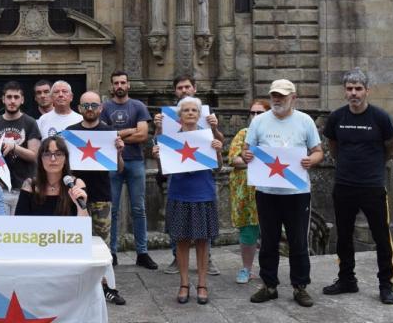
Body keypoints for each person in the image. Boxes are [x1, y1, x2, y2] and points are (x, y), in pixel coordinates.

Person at [243, 79, 323, 307]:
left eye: (282, 96)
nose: (277, 99)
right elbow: (247, 151)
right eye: (274, 95)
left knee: (298, 240)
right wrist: (247, 156)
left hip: (297, 192)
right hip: (267, 192)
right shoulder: (259, 121)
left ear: (293, 98)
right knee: (268, 241)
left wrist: (311, 160)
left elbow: (319, 151)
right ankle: (269, 285)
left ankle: (300, 287)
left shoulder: (305, 121)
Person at [322, 68, 393, 305]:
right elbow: (333, 147)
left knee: (381, 237)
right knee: (343, 236)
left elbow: (391, 149)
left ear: (367, 91)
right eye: (349, 89)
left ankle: (386, 284)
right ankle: (347, 279)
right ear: (344, 92)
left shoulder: (380, 118)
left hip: (372, 187)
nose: (353, 93)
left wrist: (372, 167)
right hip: (344, 185)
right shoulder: (337, 118)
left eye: (358, 89)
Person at [151, 97, 223, 305]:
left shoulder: (208, 136)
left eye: (194, 110)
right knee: (181, 240)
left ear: (199, 115)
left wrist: (218, 151)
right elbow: (164, 169)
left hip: (203, 193)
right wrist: (157, 155)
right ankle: (183, 283)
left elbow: (217, 168)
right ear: (179, 115)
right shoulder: (170, 139)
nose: (190, 113)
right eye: (186, 110)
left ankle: (202, 284)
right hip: (179, 193)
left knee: (202, 241)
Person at [66, 91, 127, 305]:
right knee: (76, 241)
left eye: (93, 105)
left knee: (102, 245)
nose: (89, 109)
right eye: (85, 105)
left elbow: (120, 169)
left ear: (101, 108)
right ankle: (79, 287)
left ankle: (106, 286)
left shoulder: (109, 132)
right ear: (79, 108)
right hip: (75, 197)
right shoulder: (70, 133)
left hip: (102, 195)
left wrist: (119, 152)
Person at [102, 70, 156, 270]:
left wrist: (119, 135)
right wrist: (130, 130)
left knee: (139, 209)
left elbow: (143, 135)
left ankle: (142, 252)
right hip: (112, 162)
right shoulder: (105, 107)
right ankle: (111, 252)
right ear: (112, 85)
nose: (119, 86)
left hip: (135, 161)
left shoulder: (138, 106)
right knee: (112, 210)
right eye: (116, 82)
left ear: (128, 85)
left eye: (123, 82)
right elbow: (105, 135)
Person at [0, 81, 41, 213]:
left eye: (16, 97)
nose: (12, 101)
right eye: (9, 97)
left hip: (24, 187)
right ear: (3, 99)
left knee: (22, 231)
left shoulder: (30, 122)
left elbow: (34, 155)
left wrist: (14, 147)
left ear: (22, 100)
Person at [228, 99, 269, 284]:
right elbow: (233, 159)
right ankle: (246, 268)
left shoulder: (273, 135)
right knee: (247, 232)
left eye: (259, 113)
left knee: (271, 231)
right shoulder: (243, 133)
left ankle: (269, 269)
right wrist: (259, 163)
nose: (255, 116)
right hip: (245, 191)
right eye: (252, 113)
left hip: (269, 190)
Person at [15, 135, 89, 217]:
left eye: (58, 154)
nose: (53, 159)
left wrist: (81, 207)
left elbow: (83, 227)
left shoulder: (76, 184)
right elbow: (19, 223)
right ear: (41, 159)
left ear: (65, 159)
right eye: (47, 154)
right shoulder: (30, 185)